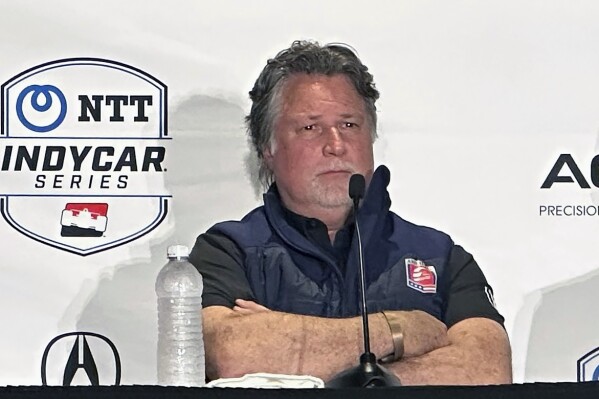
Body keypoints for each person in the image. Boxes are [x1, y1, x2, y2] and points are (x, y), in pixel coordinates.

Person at [189, 40, 512, 385]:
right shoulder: (228, 252)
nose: (336, 145)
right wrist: (403, 329)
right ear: (267, 148)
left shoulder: (440, 256)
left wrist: (290, 353)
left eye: (349, 125)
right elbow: (231, 355)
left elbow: (487, 371)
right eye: (310, 127)